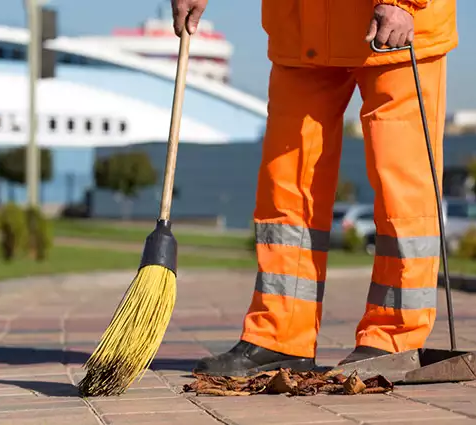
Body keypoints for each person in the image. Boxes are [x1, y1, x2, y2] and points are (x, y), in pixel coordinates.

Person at [171, 0, 458, 375]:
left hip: (394, 26)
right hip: (302, 30)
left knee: (401, 190)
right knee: (286, 187)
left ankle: (394, 337)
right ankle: (280, 336)